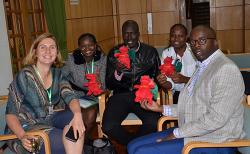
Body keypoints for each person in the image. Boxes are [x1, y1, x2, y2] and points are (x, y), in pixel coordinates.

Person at [127, 25, 245, 154]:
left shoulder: (226, 69)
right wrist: (160, 108)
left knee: (140, 151)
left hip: (215, 140)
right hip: (195, 131)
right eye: (193, 42)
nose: (196, 45)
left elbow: (216, 119)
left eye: (202, 40)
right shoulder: (203, 66)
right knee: (132, 146)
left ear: (215, 42)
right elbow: (193, 106)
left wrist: (176, 134)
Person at [5, 33, 85, 154]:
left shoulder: (58, 74)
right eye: (43, 47)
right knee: (64, 142)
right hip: (24, 128)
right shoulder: (25, 76)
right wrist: (22, 136)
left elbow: (70, 96)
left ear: (56, 52)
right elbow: (10, 114)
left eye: (52, 47)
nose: (48, 51)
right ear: (35, 52)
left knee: (76, 121)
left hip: (49, 119)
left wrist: (78, 114)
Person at [102, 20, 161, 145]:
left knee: (154, 123)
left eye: (132, 33)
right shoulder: (114, 53)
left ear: (138, 34)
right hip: (120, 95)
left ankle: (132, 146)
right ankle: (134, 145)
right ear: (122, 34)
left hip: (142, 95)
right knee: (108, 126)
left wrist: (153, 87)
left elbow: (157, 79)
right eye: (125, 34)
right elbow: (109, 84)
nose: (129, 37)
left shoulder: (150, 52)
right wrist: (117, 72)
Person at [62, 33, 106, 139]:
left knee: (90, 115)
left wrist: (99, 84)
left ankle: (82, 141)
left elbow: (104, 86)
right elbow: (61, 77)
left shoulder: (103, 59)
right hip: (74, 95)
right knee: (72, 116)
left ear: (95, 46)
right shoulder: (71, 59)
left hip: (93, 97)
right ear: (79, 48)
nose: (87, 49)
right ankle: (81, 143)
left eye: (90, 45)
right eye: (83, 46)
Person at [157, 24, 197, 104]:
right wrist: (163, 82)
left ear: (186, 37)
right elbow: (170, 85)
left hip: (195, 93)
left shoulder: (195, 51)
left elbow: (204, 80)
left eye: (180, 36)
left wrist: (184, 79)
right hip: (176, 95)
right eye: (173, 36)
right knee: (168, 111)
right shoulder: (166, 53)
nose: (176, 39)